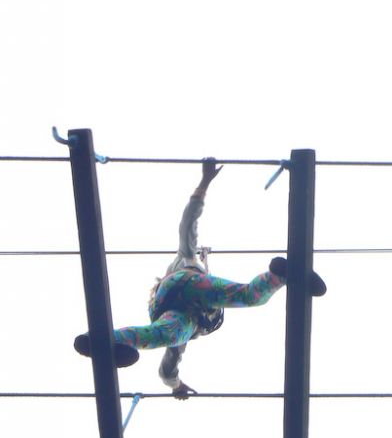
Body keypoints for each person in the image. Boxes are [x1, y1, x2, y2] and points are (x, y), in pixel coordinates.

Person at [74, 158, 326, 399]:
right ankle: (279, 275)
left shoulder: (180, 325)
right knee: (246, 297)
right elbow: (167, 371)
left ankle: (107, 340)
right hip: (191, 285)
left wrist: (204, 183)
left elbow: (187, 226)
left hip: (177, 289)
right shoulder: (186, 318)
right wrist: (175, 385)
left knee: (168, 332)